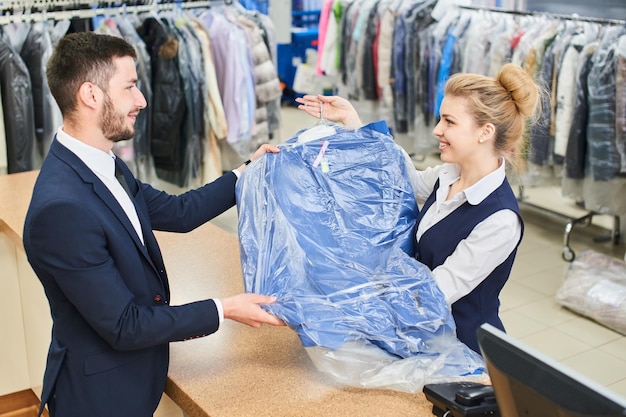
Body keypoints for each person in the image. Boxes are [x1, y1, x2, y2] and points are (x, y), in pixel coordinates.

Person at [23, 32, 284, 417]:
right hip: (101, 398)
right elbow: (125, 325)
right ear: (91, 95)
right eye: (130, 86)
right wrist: (223, 309)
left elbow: (178, 212)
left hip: (130, 380)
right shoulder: (61, 209)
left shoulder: (101, 162)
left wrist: (246, 173)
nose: (142, 100)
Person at [296, 63, 541, 354]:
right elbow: (402, 176)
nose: (437, 130)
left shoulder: (499, 220)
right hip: (417, 334)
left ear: (485, 132)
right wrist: (354, 122)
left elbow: (435, 293)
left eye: (449, 122)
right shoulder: (448, 175)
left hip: (459, 352)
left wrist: (352, 304)